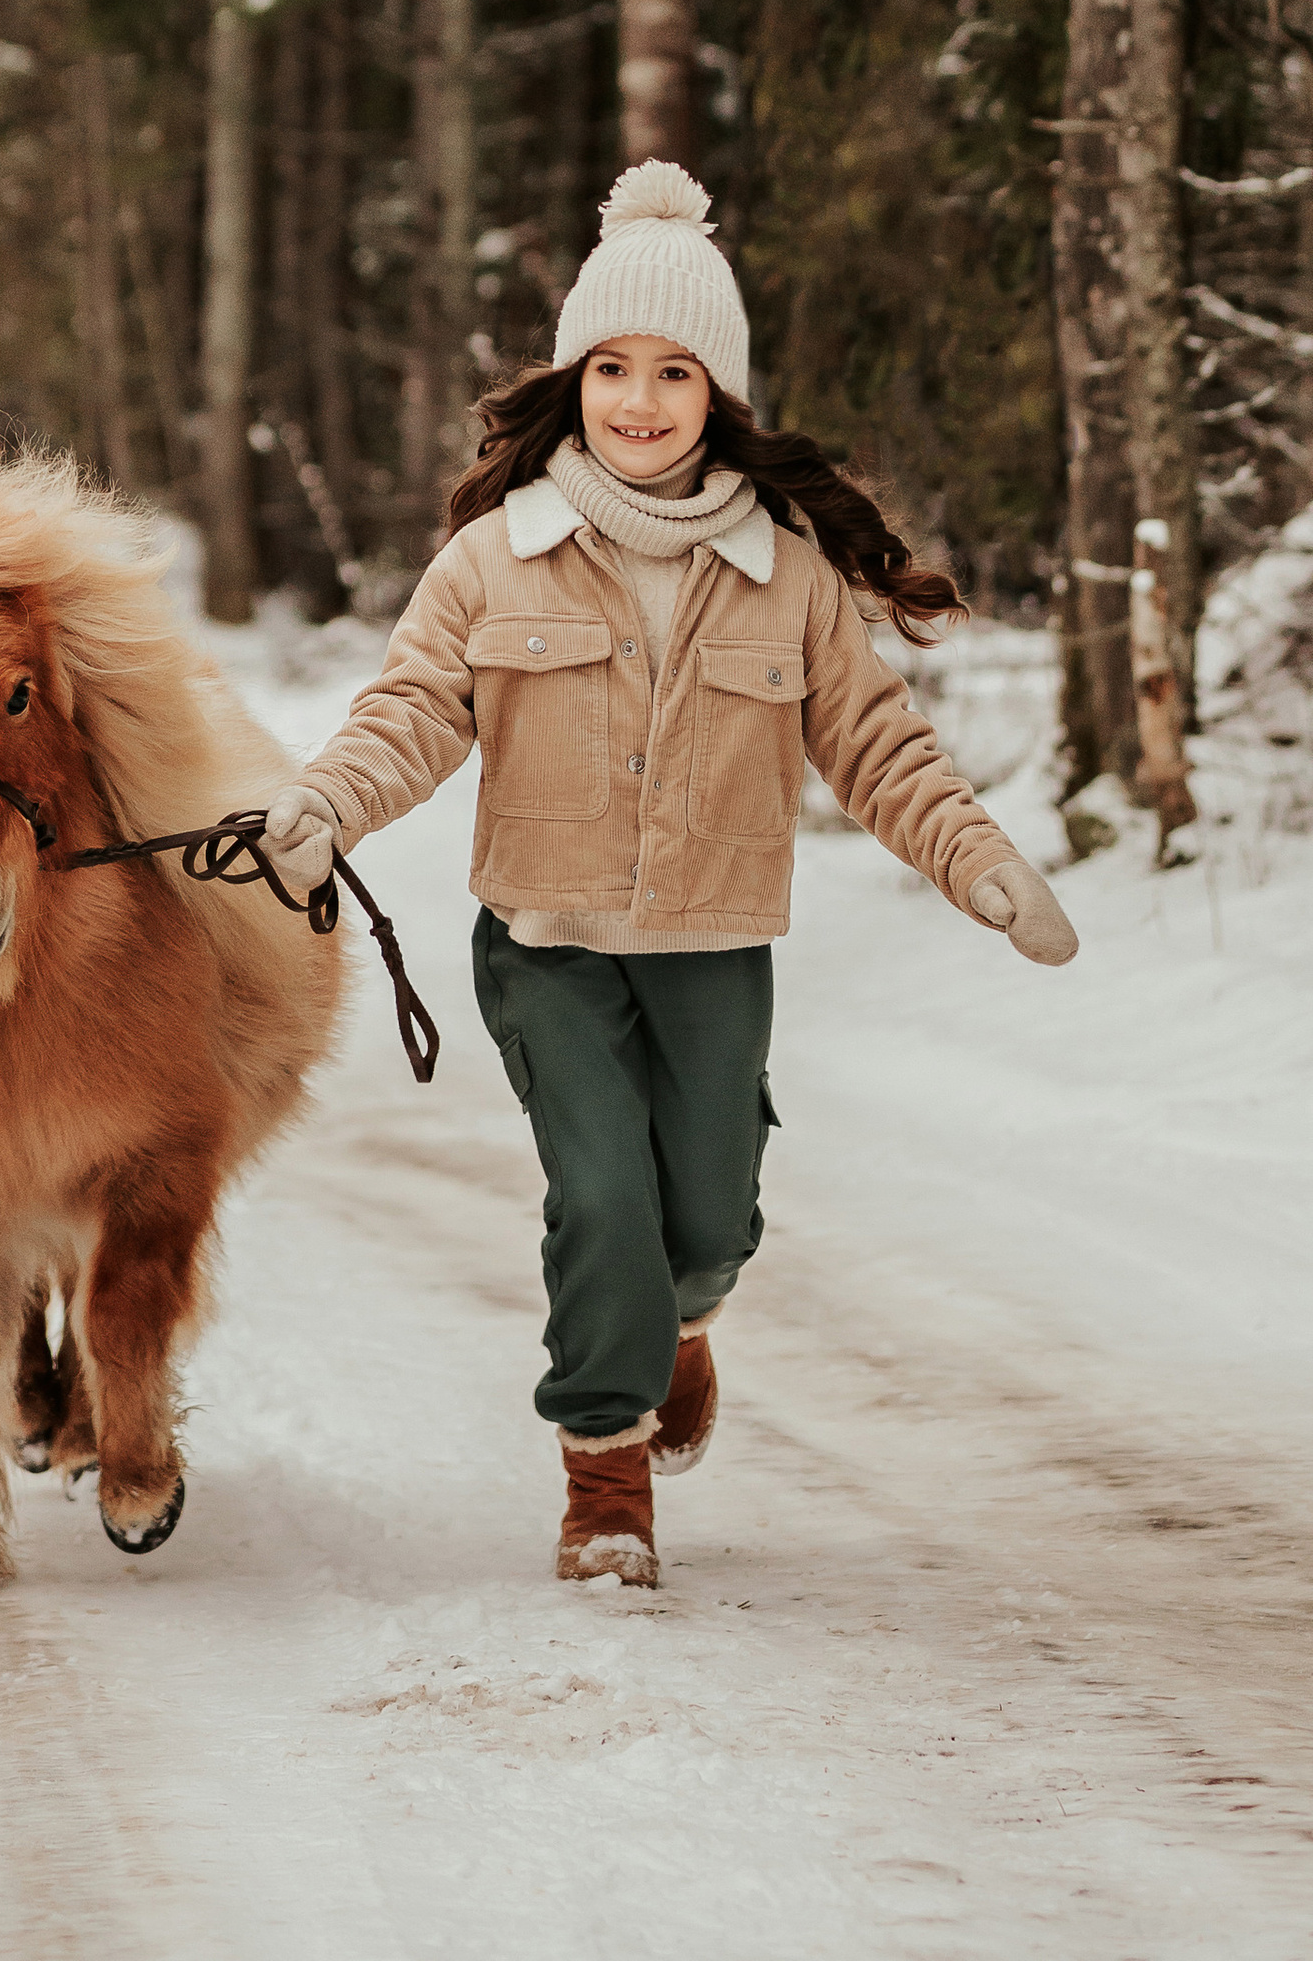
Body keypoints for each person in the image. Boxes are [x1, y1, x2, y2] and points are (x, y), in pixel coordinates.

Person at [258, 161, 1078, 1591]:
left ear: (722, 397)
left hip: (715, 945)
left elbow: (881, 748)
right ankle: (606, 1478)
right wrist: (328, 805)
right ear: (574, 379)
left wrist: (983, 865)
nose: (639, 401)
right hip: (547, 945)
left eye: (676, 373)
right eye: (612, 368)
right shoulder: (488, 565)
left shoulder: (791, 577)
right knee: (602, 1198)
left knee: (707, 1219)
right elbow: (406, 716)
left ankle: (682, 1320)